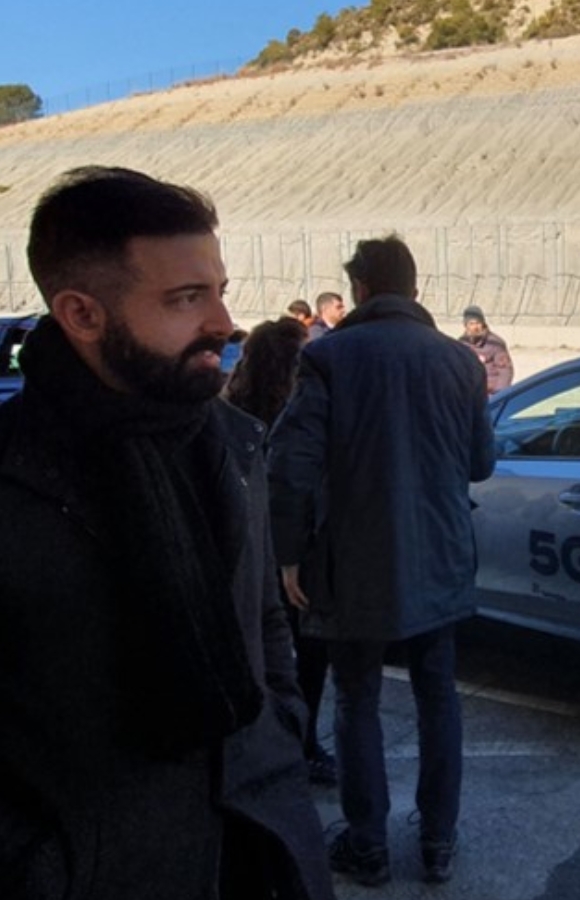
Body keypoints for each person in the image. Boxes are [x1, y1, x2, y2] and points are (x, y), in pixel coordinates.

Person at [0, 166, 335, 899]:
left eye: (219, 290)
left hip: (258, 853)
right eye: (186, 298)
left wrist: (278, 733)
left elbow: (266, 629)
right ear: (83, 315)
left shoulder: (235, 443)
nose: (223, 322)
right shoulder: (13, 473)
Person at [269, 235, 495, 888]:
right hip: (442, 556)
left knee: (358, 697)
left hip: (353, 560)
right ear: (415, 289)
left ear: (360, 290)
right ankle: (438, 841)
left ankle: (366, 844)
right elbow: (481, 462)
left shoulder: (329, 357)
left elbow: (292, 465)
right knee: (438, 697)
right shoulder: (460, 361)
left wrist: (288, 556)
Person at [223, 316, 337, 787]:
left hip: (244, 550)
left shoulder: (229, 410)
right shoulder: (302, 411)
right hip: (292, 549)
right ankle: (302, 741)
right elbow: (296, 487)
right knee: (305, 652)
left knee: (255, 645)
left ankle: (264, 736)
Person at [459, 304, 514, 394]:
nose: (475, 327)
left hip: (491, 392)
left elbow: (505, 371)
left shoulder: (495, 343)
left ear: (483, 324)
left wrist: (498, 394)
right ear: (466, 326)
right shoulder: (461, 344)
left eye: (478, 323)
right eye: (471, 324)